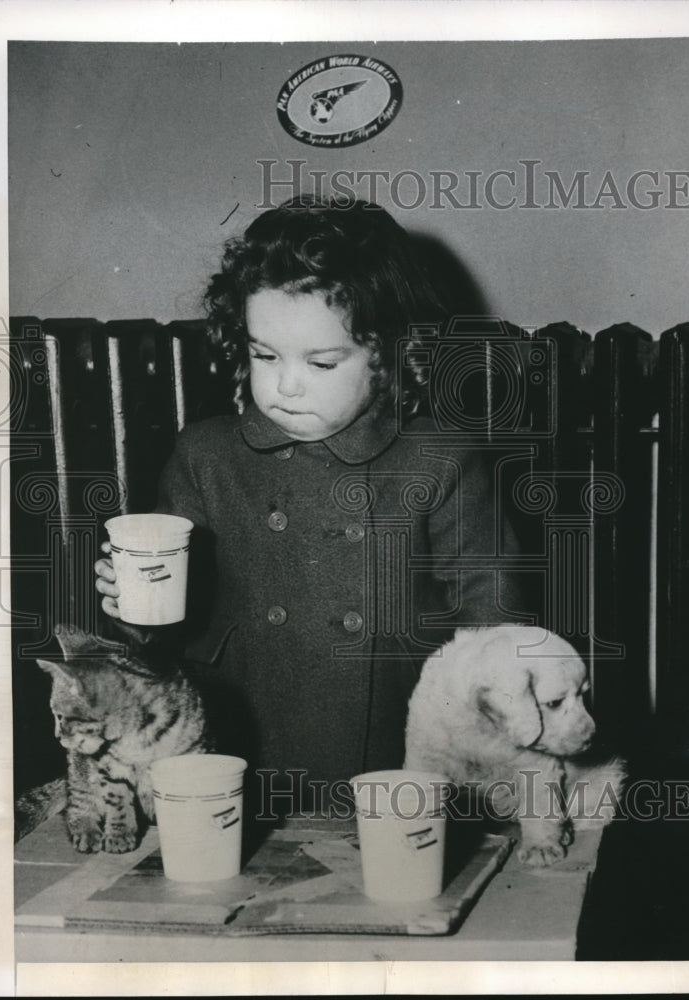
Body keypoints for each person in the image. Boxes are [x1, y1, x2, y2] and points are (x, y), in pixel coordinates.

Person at [95, 195, 525, 817]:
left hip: (396, 731)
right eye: (263, 354)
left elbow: (494, 616)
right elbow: (169, 626)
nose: (286, 384)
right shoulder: (206, 454)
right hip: (238, 726)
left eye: (322, 362)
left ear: (390, 357)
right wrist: (136, 612)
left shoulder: (442, 457)